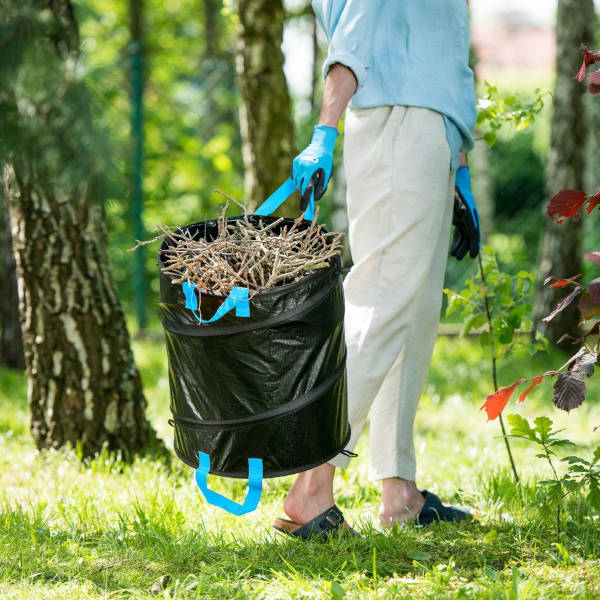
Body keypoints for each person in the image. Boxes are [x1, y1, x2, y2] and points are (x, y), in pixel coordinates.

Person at [272, 0, 481, 539]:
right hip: (399, 122)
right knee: (383, 300)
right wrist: (324, 129)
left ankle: (399, 488)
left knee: (411, 311)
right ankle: (311, 488)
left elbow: (441, 55)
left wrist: (458, 165)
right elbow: (356, 35)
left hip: (426, 129)